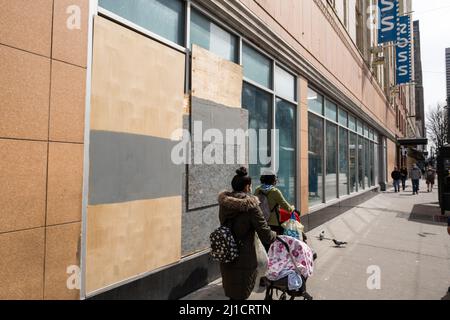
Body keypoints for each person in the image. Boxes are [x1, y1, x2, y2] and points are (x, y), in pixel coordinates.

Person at [218, 167, 277, 300]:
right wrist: (275, 235)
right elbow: (266, 235)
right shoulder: (251, 207)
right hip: (244, 257)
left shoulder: (224, 203)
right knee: (241, 294)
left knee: (232, 293)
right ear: (247, 187)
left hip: (226, 253)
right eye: (250, 186)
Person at [254, 170, 296, 235]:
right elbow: (285, 206)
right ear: (273, 180)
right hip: (273, 222)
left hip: (261, 221)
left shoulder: (257, 189)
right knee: (274, 242)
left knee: (266, 242)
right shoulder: (275, 191)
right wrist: (292, 208)